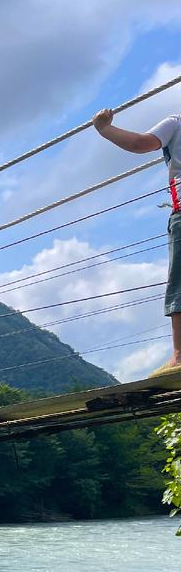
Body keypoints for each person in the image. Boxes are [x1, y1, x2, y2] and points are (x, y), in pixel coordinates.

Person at [92, 108, 181, 374]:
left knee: (180, 280)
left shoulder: (176, 122)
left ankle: (180, 354)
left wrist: (103, 128)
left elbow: (140, 144)